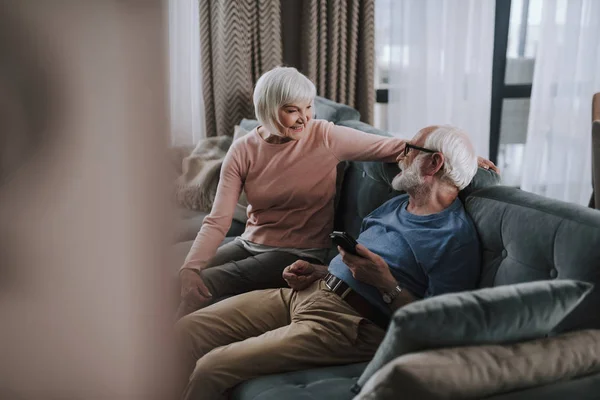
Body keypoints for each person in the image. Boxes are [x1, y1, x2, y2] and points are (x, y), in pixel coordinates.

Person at [175, 124, 484, 400]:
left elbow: (435, 329)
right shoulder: (396, 205)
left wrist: (386, 282)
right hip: (309, 292)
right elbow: (356, 264)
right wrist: (320, 270)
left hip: (347, 326)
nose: (402, 154)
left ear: (433, 163)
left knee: (211, 367)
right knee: (185, 331)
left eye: (411, 149)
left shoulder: (454, 240)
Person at [177, 66, 497, 317]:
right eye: (292, 110)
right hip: (251, 241)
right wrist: (191, 266)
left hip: (298, 253)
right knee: (179, 273)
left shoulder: (325, 136)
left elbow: (395, 146)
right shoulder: (243, 149)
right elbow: (217, 219)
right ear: (268, 109)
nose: (304, 118)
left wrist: (459, 158)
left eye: (308, 106)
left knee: (207, 282)